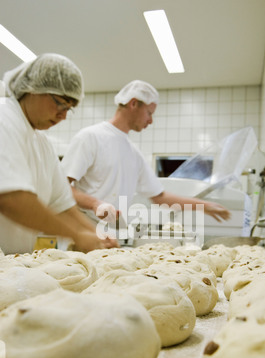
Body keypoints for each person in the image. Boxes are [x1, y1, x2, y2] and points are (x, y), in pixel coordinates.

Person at [62, 80, 231, 228]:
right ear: (133, 103)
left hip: (112, 233)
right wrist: (95, 204)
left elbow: (160, 197)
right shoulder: (90, 137)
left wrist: (204, 206)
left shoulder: (134, 153)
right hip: (83, 229)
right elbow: (61, 187)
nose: (150, 121)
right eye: (149, 113)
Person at [0, 53, 119, 255]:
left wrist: (97, 236)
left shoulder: (42, 143)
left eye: (69, 109)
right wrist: (76, 235)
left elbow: (63, 206)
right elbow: (12, 198)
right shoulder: (4, 118)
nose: (63, 115)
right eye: (60, 103)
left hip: (13, 265)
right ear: (32, 89)